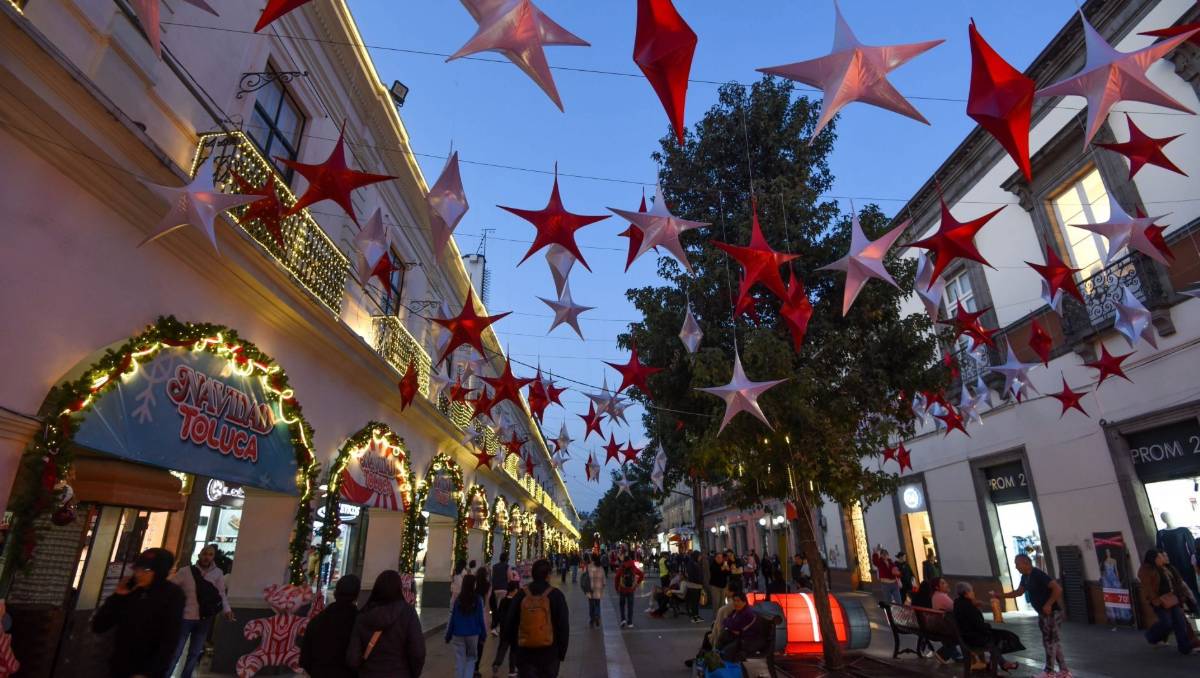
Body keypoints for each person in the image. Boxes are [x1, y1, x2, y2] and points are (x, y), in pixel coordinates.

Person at [92, 547, 185, 678]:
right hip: (119, 667)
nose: (139, 574)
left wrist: (149, 672)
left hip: (147, 671)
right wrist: (117, 597)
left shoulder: (172, 595)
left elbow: (170, 639)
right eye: (137, 569)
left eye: (146, 570)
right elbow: (99, 626)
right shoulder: (131, 591)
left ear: (160, 571)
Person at [991, 554, 1068, 677]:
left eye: (1017, 564)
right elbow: (1019, 592)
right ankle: (1064, 671)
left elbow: (1057, 589)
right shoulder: (1025, 577)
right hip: (1042, 614)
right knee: (1053, 642)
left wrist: (1049, 604)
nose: (1016, 567)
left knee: (1049, 642)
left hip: (1052, 613)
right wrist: (1001, 596)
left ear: (1026, 563)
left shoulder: (1038, 574)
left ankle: (1049, 671)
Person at [168, 544, 234, 677]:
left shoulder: (218, 573)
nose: (207, 557)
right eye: (205, 554)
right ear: (199, 555)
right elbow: (171, 587)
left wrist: (227, 610)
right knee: (176, 651)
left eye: (210, 555)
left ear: (213, 557)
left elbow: (221, 594)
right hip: (186, 617)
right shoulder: (185, 571)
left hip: (204, 619)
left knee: (194, 653)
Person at [347, 570, 426, 678]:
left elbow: (353, 657)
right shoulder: (407, 613)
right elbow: (418, 652)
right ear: (399, 589)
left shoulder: (363, 614)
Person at [502, 559, 569, 678]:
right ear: (548, 575)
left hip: (525, 654)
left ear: (532, 574)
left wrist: (515, 648)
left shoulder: (521, 595)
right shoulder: (556, 596)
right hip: (550, 654)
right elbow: (563, 626)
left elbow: (509, 622)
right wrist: (561, 653)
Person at [1139, 549, 1200, 655]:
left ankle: (1185, 647)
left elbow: (1179, 583)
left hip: (1173, 598)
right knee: (1167, 623)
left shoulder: (1169, 568)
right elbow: (1148, 588)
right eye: (1160, 557)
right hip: (1159, 601)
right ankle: (1151, 636)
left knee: (1180, 622)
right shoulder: (1147, 570)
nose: (1163, 558)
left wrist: (1186, 596)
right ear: (1154, 559)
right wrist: (1156, 601)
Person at [300, 574, 361, 678]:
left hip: (319, 672)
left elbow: (305, 659)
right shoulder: (359, 621)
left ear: (335, 592)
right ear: (356, 595)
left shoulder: (318, 620)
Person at [954, 582, 1021, 674]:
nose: (973, 593)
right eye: (972, 591)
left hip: (965, 636)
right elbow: (979, 625)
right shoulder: (969, 607)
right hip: (973, 638)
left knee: (998, 636)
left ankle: (1001, 663)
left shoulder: (957, 603)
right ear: (966, 593)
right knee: (1003, 637)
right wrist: (987, 625)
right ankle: (1000, 664)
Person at [446, 574, 486, 678]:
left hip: (458, 633)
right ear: (474, 585)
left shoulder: (458, 599)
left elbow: (453, 618)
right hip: (473, 634)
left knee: (460, 660)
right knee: (471, 659)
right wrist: (483, 635)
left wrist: (448, 634)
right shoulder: (478, 599)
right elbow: (481, 619)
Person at [717, 591, 765, 662]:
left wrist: (731, 625)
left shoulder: (747, 613)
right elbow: (726, 621)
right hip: (738, 637)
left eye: (738, 601)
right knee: (722, 638)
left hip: (747, 639)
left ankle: (726, 667)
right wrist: (731, 626)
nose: (736, 603)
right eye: (734, 601)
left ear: (744, 602)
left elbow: (735, 626)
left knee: (726, 651)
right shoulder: (737, 611)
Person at [491, 581, 520, 677]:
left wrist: (497, 625)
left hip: (504, 630)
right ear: (515, 590)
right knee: (513, 651)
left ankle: (496, 663)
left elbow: (499, 615)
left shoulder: (503, 601)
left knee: (502, 649)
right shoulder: (517, 602)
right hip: (515, 630)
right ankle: (512, 671)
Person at [614, 553, 644, 629]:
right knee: (630, 606)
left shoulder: (622, 567)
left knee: (622, 605)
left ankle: (623, 619)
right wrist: (637, 583)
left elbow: (617, 578)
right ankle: (630, 622)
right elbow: (641, 574)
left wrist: (616, 588)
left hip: (622, 589)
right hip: (631, 589)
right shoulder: (633, 567)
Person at [474, 566, 493, 676]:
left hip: (473, 616)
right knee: (480, 643)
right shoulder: (488, 586)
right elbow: (489, 603)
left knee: (473, 641)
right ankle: (476, 667)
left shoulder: (474, 585)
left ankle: (471, 665)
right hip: (484, 616)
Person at [584, 554, 605, 629]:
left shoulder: (589, 566)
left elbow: (585, 577)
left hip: (590, 588)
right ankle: (597, 615)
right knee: (597, 604)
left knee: (591, 605)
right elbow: (604, 580)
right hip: (598, 588)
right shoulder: (600, 567)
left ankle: (592, 619)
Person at [683, 550, 704, 623]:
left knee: (696, 601)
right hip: (694, 585)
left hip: (697, 585)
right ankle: (694, 616)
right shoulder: (692, 564)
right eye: (699, 556)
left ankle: (696, 615)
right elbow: (692, 575)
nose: (700, 557)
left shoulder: (695, 563)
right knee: (694, 601)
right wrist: (699, 580)